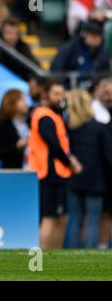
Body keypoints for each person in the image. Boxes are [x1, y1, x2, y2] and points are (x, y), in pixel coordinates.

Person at [28, 80, 83, 249]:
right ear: (47, 95)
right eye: (56, 94)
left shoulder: (53, 115)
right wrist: (70, 162)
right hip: (50, 173)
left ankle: (54, 256)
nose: (60, 98)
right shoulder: (45, 116)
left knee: (62, 217)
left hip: (57, 173)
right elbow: (54, 145)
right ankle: (40, 258)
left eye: (62, 93)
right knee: (50, 217)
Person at [65, 89, 112, 248]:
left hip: (74, 180)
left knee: (75, 219)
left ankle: (72, 259)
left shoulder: (68, 129)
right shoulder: (99, 128)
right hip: (95, 181)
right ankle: (91, 259)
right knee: (93, 220)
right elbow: (109, 157)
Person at [51, 20, 110, 88]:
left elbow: (106, 74)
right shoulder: (70, 49)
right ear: (84, 35)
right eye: (92, 35)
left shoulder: (103, 53)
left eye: (98, 36)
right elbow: (57, 71)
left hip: (92, 91)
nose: (95, 39)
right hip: (68, 89)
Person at [91, 76, 112, 248]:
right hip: (98, 170)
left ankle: (103, 246)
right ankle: (95, 248)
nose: (108, 93)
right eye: (104, 89)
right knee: (96, 213)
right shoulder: (92, 112)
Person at [0, 16, 40, 81]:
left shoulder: (23, 47)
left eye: (14, 33)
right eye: (8, 33)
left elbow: (33, 66)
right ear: (2, 33)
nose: (11, 37)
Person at [0, 89, 29, 169]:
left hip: (32, 168)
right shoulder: (2, 125)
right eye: (22, 100)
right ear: (11, 103)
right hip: (14, 170)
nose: (25, 103)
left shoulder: (29, 121)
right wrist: (17, 147)